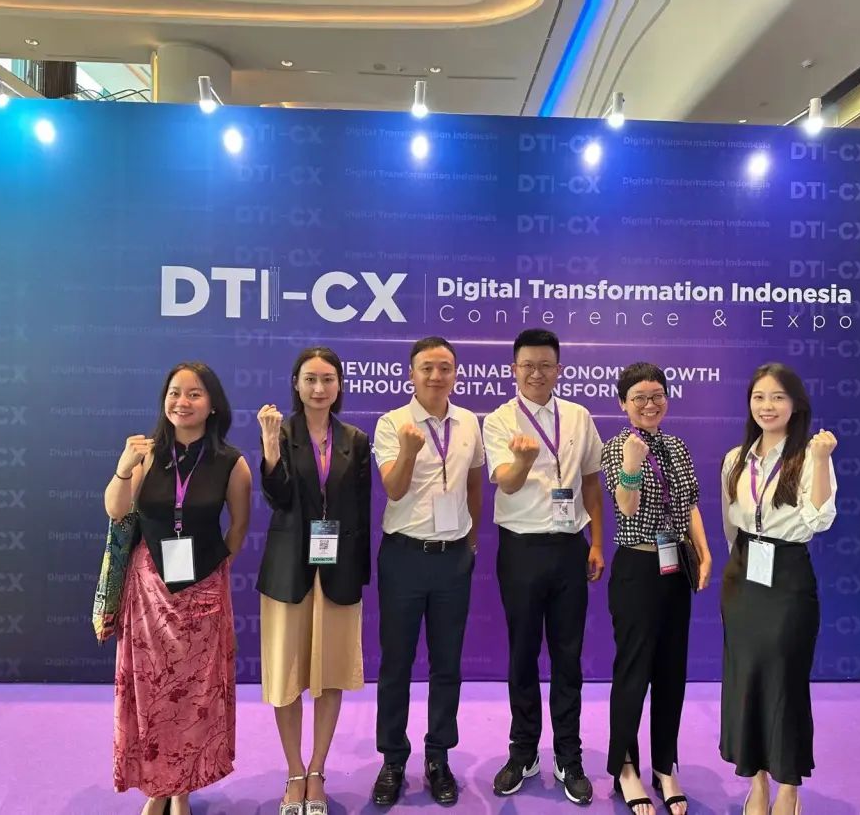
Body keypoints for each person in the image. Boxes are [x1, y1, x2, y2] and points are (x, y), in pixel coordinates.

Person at [105, 362, 252, 815]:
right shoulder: (145, 454)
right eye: (174, 392)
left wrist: (214, 572)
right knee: (150, 691)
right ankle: (157, 786)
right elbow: (116, 510)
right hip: (148, 591)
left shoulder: (232, 462)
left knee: (193, 697)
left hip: (203, 593)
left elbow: (238, 528)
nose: (182, 402)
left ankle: (181, 789)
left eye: (194, 394)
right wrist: (123, 468)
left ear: (212, 405)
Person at [481, 328, 604, 805]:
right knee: (523, 654)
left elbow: (590, 482)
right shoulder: (499, 420)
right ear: (514, 369)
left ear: (559, 369)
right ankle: (524, 751)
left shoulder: (578, 416)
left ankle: (569, 756)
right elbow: (505, 483)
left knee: (569, 656)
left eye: (545, 365)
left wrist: (597, 542)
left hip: (570, 547)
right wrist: (523, 460)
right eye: (527, 365)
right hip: (521, 549)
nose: (536, 373)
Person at [256, 347, 372, 815]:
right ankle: (293, 772)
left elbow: (361, 510)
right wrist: (269, 448)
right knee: (287, 676)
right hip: (289, 572)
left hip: (338, 572)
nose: (319, 388)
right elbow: (278, 498)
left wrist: (359, 573)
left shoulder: (355, 439)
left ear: (339, 385)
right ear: (296, 384)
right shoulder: (281, 432)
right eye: (310, 379)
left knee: (330, 674)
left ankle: (318, 771)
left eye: (328, 379)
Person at [370, 336, 484, 808]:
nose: (436, 376)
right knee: (396, 663)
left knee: (447, 663)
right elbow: (394, 490)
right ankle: (393, 759)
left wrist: (470, 539)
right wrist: (409, 451)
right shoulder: (392, 423)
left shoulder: (469, 422)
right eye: (427, 368)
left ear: (455, 373)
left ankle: (438, 756)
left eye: (445, 368)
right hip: (404, 556)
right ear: (411, 374)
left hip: (453, 557)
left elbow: (474, 481)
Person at [720, 362, 838, 815]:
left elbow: (819, 520)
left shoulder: (809, 456)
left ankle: (788, 785)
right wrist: (736, 569)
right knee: (746, 681)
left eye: (777, 397)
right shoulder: (735, 459)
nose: (767, 406)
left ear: (795, 404)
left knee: (785, 681)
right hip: (743, 576)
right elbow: (731, 522)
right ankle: (758, 782)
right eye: (759, 397)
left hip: (787, 577)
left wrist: (822, 460)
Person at [601, 363, 713, 815]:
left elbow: (690, 505)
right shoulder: (617, 447)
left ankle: (665, 766)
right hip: (637, 568)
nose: (649, 404)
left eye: (657, 395)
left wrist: (704, 552)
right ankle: (625, 767)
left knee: (671, 671)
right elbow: (627, 508)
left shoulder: (677, 446)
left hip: (675, 567)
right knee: (634, 671)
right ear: (623, 404)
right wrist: (631, 464)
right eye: (639, 398)